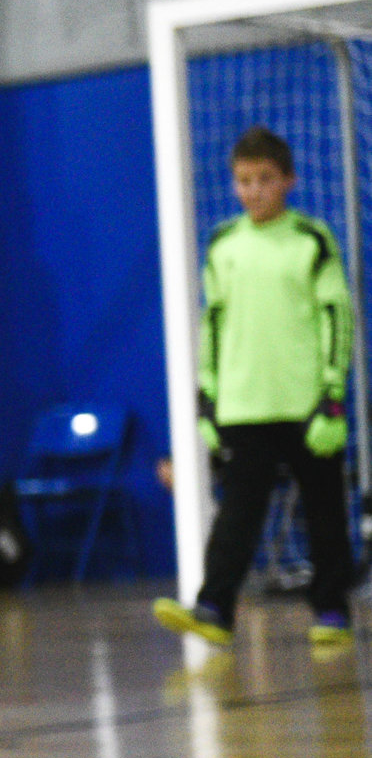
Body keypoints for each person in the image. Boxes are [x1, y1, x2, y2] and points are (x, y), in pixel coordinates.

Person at [156, 126, 357, 649]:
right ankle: (214, 609)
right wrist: (208, 395)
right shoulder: (223, 244)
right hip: (244, 406)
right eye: (244, 181)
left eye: (265, 179)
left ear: (288, 180)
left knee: (324, 508)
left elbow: (336, 316)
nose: (253, 191)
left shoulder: (312, 240)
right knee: (239, 514)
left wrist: (333, 396)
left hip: (307, 404)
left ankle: (331, 608)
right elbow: (214, 324)